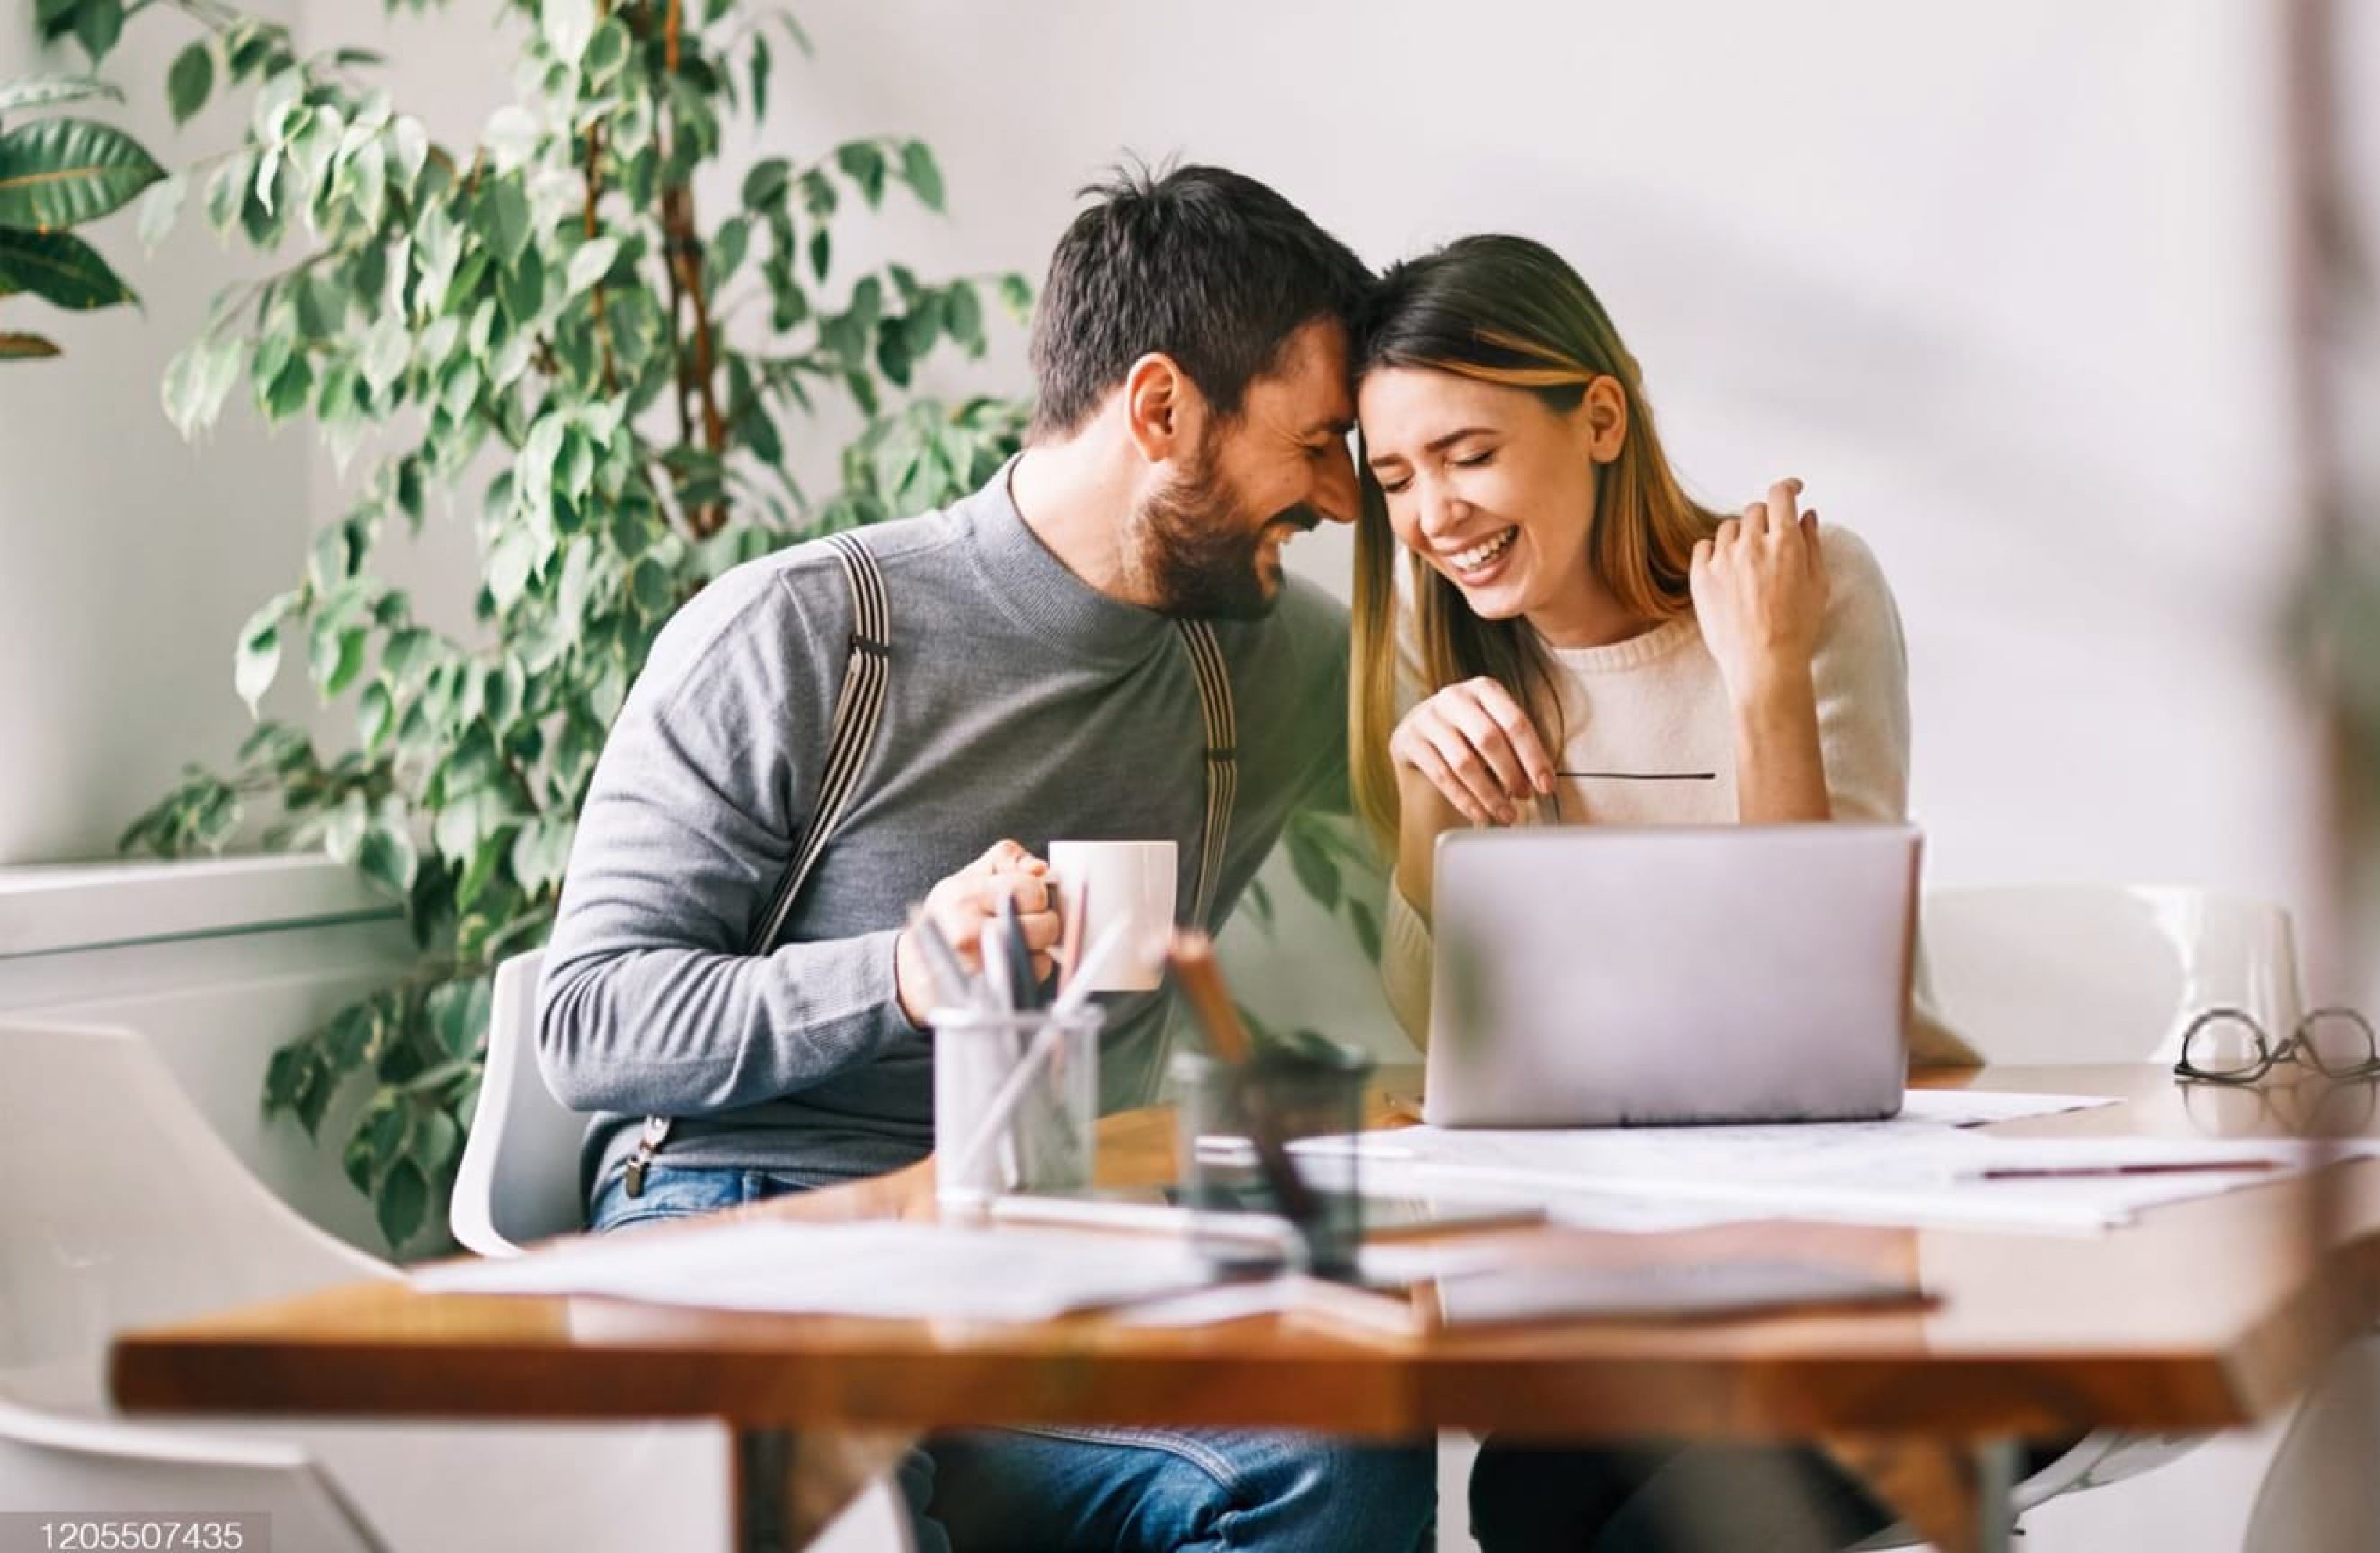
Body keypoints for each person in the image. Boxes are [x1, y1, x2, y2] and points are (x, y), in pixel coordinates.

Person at [538, 163, 1432, 1553]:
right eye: (1318, 445)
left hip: (1046, 1239)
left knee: (1335, 1442)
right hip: (759, 1217)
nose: (1344, 497)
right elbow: (588, 1024)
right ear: (1161, 409)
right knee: (847, 1509)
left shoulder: (1272, 660)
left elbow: (1509, 741)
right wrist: (901, 971)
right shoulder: (802, 635)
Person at [1346, 232, 1985, 1551]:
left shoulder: (1801, 588)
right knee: (1519, 1504)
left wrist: (1762, 685)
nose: (1435, 516)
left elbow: (1820, 986)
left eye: (1468, 454)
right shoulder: (1453, 650)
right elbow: (1445, 1035)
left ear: (1597, 418)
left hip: (1857, 1239)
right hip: (1616, 1250)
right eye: (1397, 476)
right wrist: (1425, 812)